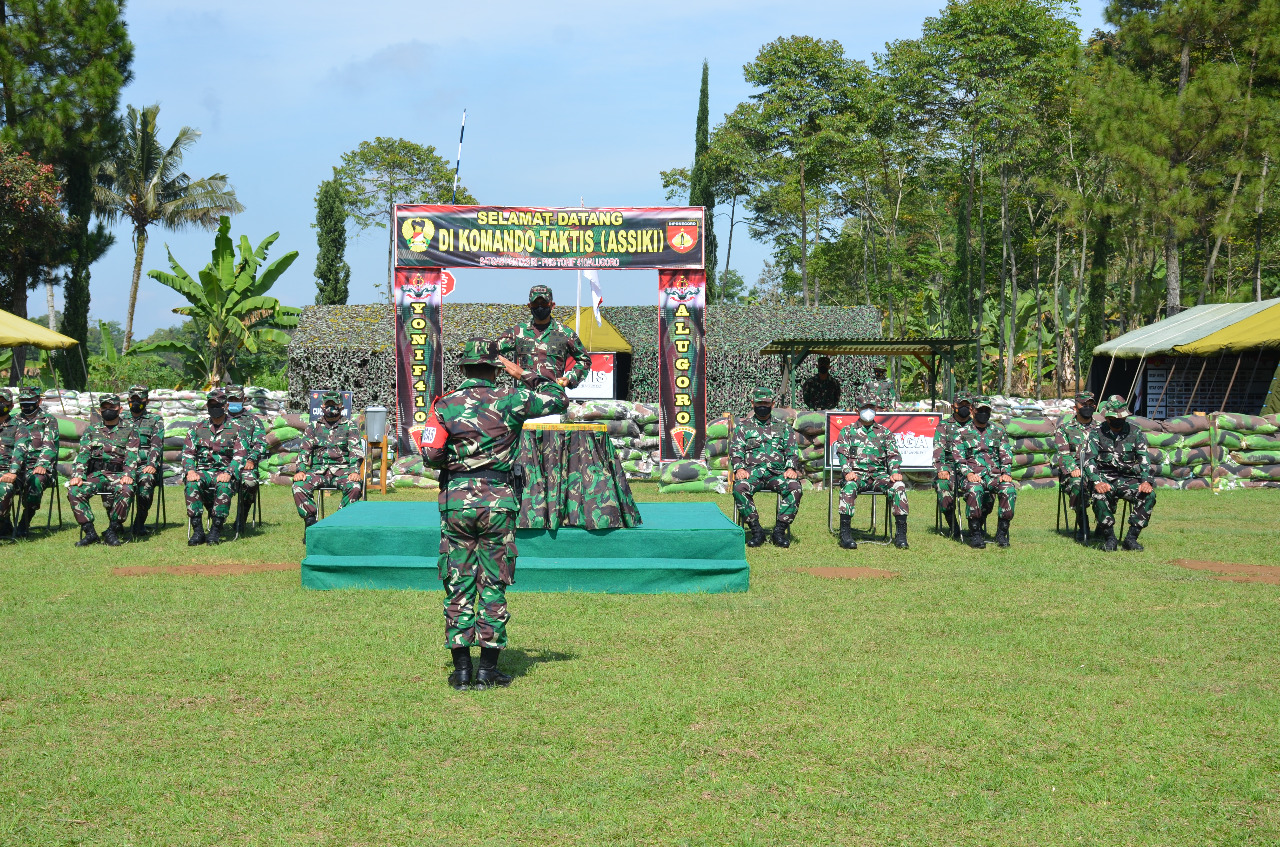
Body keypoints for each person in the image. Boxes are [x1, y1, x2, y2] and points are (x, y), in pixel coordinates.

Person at [421, 338, 568, 691]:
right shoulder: (512, 399)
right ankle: (487, 670)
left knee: (458, 582)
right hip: (499, 502)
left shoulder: (444, 405)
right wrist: (524, 373)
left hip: (456, 502)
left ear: (465, 369)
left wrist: (455, 463)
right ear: (495, 367)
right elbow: (559, 399)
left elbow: (429, 453)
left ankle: (460, 672)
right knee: (493, 582)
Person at [730, 386, 804, 549]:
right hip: (752, 474)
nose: (762, 405)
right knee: (739, 488)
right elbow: (736, 451)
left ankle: (779, 531)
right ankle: (756, 531)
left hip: (777, 473)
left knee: (795, 488)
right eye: (759, 403)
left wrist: (791, 468)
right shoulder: (743, 427)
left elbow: (791, 449)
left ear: (773, 404)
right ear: (752, 403)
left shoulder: (782, 427)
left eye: (766, 402)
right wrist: (739, 469)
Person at [1081, 395, 1156, 552]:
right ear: (1107, 417)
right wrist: (1096, 481)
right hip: (1104, 478)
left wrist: (1146, 481)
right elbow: (1089, 461)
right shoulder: (1096, 433)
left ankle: (1131, 538)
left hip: (1128, 479)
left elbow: (1144, 460)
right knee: (1099, 496)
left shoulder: (1135, 432)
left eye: (1121, 416)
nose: (1118, 420)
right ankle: (1109, 538)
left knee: (1149, 495)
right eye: (1115, 417)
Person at [67, 393, 142, 547]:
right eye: (104, 407)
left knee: (126, 489)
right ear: (100, 411)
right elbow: (83, 455)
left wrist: (128, 475)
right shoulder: (91, 430)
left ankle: (112, 530)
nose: (108, 410)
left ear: (120, 409)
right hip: (96, 475)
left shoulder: (130, 430)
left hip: (119, 474)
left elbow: (131, 456)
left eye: (112, 407)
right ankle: (90, 532)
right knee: (74, 490)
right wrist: (78, 475)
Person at [835, 394, 909, 550]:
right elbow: (842, 455)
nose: (868, 411)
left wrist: (895, 471)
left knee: (899, 486)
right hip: (857, 475)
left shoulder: (885, 432)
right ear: (857, 411)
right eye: (864, 408)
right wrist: (848, 471)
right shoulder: (847, 432)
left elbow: (893, 455)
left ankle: (901, 535)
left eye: (871, 408)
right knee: (848, 487)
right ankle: (846, 535)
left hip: (879, 476)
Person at [292, 390, 364, 530]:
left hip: (343, 471)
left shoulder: (350, 426)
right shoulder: (313, 427)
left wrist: (355, 471)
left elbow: (355, 451)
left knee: (355, 487)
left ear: (341, 406)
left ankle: (338, 523)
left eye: (334, 404)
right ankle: (311, 523)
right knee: (298, 485)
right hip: (318, 471)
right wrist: (300, 470)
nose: (331, 408)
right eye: (328, 404)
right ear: (322, 407)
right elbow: (304, 450)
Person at [182, 389, 247, 546]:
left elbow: (240, 456)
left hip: (225, 472)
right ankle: (198, 531)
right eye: (211, 405)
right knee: (191, 483)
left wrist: (229, 472)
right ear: (207, 406)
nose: (214, 407)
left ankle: (216, 530)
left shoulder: (237, 428)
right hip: (202, 472)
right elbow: (188, 453)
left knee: (224, 485)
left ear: (225, 406)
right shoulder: (197, 428)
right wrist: (190, 471)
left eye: (218, 404)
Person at [497, 284, 591, 389]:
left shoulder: (565, 333)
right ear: (529, 306)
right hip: (525, 396)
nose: (539, 307)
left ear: (552, 305)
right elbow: (491, 349)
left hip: (553, 395)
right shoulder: (518, 332)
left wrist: (570, 378)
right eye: (535, 303)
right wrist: (506, 365)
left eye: (544, 303)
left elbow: (584, 360)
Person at [954, 396, 1016, 549]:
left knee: (1008, 488)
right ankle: (975, 533)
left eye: (986, 410)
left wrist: (1005, 472)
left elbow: (1006, 456)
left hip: (994, 476)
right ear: (972, 410)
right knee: (975, 488)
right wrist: (968, 473)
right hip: (970, 476)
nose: (983, 413)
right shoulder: (961, 433)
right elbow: (958, 458)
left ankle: (1002, 533)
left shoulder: (998, 431)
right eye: (980, 410)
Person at [12, 385, 58, 538]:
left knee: (36, 480)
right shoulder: (14, 420)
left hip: (38, 466)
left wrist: (42, 465)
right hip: (15, 466)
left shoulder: (48, 420)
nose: (26, 404)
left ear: (39, 401)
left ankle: (25, 521)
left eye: (29, 400)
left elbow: (50, 447)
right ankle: (4, 522)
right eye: (23, 400)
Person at [226, 384, 269, 533]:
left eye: (236, 399)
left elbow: (260, 443)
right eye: (230, 399)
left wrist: (251, 459)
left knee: (250, 483)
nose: (233, 402)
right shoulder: (219, 419)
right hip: (221, 465)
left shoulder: (253, 421)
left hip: (245, 466)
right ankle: (216, 520)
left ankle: (241, 518)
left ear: (243, 399)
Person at [125, 384, 165, 537]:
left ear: (146, 401)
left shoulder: (155, 420)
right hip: (123, 466)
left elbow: (157, 445)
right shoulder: (120, 419)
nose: (135, 402)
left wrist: (152, 464)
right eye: (133, 398)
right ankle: (115, 522)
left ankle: (140, 523)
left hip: (144, 465)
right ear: (128, 399)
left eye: (139, 399)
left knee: (146, 480)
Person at [933, 392, 973, 538]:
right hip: (950, 467)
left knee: (986, 488)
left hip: (973, 468)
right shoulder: (944, 426)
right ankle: (953, 525)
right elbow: (938, 451)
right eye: (960, 404)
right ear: (953, 406)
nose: (964, 407)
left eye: (967, 405)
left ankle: (976, 525)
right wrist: (941, 469)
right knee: (943, 485)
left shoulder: (976, 426)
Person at [1053, 391, 1097, 516]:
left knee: (1109, 484)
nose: (1088, 407)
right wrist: (1073, 468)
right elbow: (1063, 454)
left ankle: (1103, 524)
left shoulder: (1101, 428)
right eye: (1084, 404)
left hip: (1096, 470)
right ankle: (1082, 521)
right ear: (1075, 408)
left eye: (1090, 404)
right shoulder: (1064, 429)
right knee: (1078, 485)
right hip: (1074, 471)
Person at [0, 389, 28, 537]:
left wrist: (12, 472)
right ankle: (4, 524)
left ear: (10, 406)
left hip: (9, 473)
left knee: (3, 488)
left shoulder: (19, 426)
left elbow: (20, 451)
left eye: (3, 401)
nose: (0, 404)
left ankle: (3, 521)